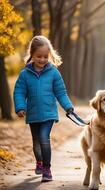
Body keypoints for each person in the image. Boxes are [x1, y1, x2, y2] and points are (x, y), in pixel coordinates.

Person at [13, 35, 74, 182]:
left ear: (50, 55)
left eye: (45, 56)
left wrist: (68, 107)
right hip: (33, 113)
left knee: (43, 138)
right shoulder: (25, 74)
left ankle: (47, 169)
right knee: (36, 141)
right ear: (32, 55)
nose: (42, 59)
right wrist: (20, 107)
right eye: (38, 56)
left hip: (48, 114)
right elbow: (19, 92)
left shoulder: (53, 72)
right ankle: (39, 162)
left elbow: (61, 92)